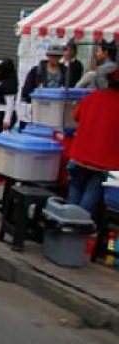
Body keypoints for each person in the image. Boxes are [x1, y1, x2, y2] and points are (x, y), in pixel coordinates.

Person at [68, 67, 119, 261]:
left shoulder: (92, 97)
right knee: (91, 195)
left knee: (75, 188)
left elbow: (75, 116)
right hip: (105, 161)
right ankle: (76, 233)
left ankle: (66, 226)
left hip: (79, 154)